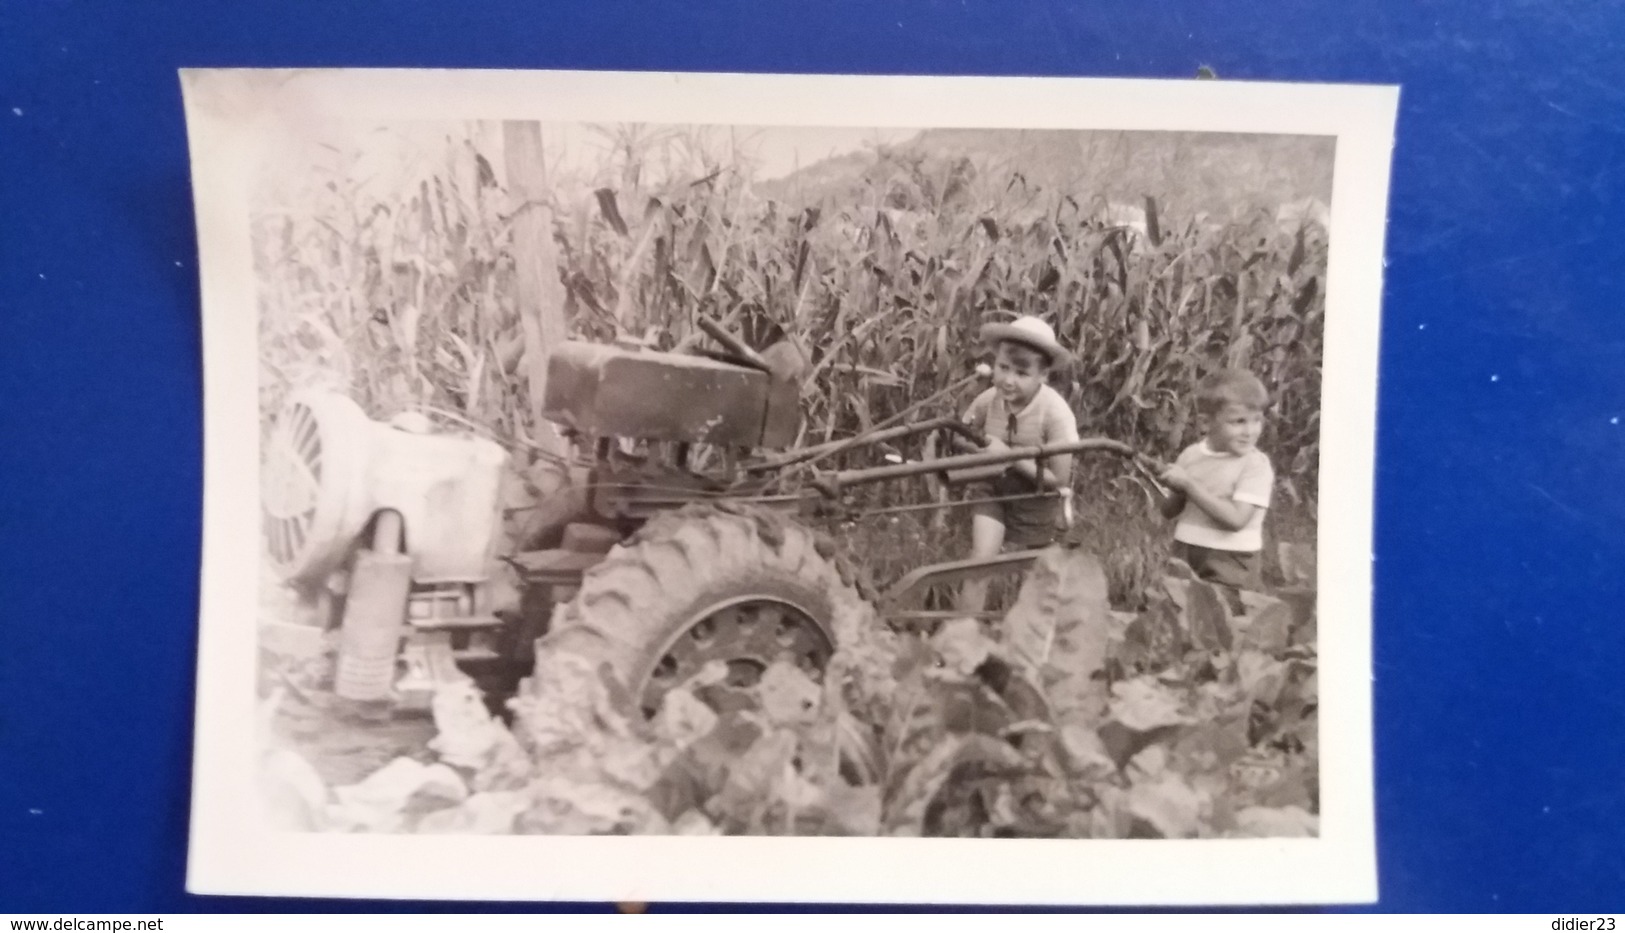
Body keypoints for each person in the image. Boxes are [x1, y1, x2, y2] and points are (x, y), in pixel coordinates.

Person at [955, 315, 1081, 615]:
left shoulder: (1055, 414)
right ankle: (959, 642)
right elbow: (963, 435)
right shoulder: (988, 400)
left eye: (1021, 373)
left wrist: (1009, 457)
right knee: (980, 563)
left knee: (1035, 576)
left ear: (1043, 376)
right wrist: (971, 446)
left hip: (1038, 495)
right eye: (1002, 368)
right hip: (994, 488)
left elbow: (1059, 480)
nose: (1008, 380)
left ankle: (1027, 643)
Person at [1156, 368, 1276, 592]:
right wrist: (1175, 487)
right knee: (1178, 611)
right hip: (1186, 551)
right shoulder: (1191, 455)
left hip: (1231, 559)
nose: (1249, 431)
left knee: (1222, 618)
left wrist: (1189, 486)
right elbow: (1169, 511)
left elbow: (1236, 520)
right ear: (1205, 424)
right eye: (1238, 422)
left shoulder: (1255, 465)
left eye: (1257, 421)